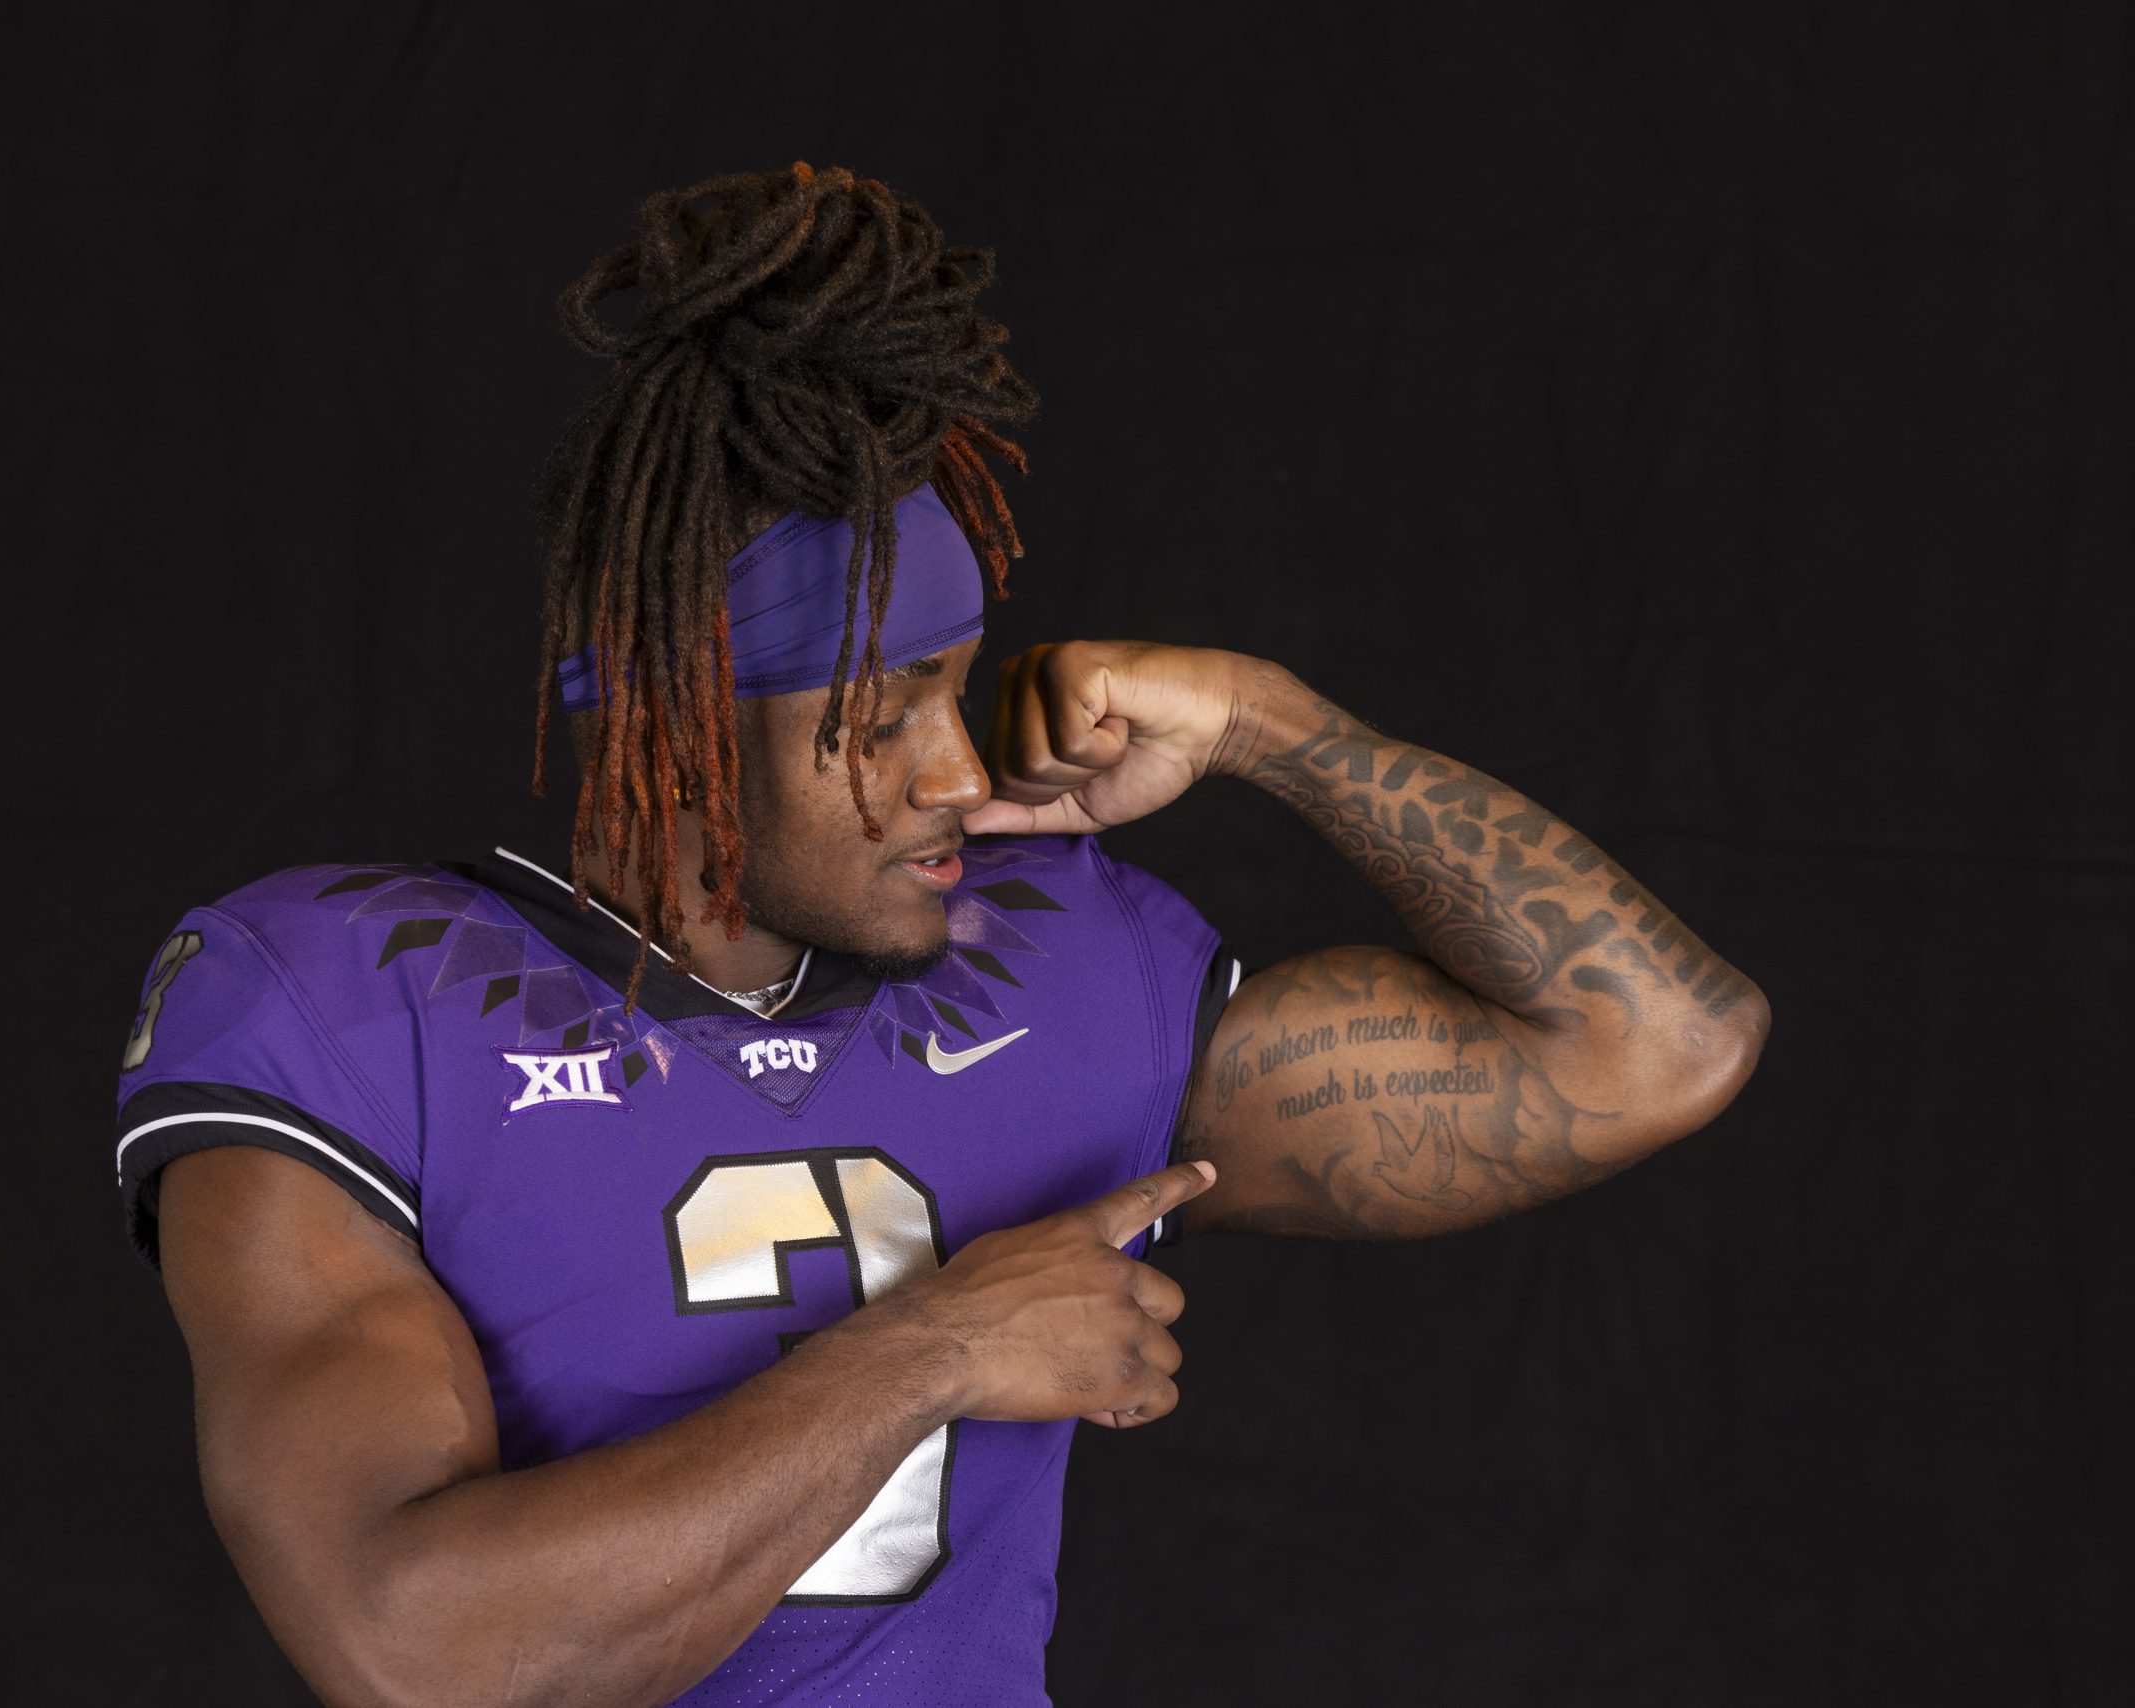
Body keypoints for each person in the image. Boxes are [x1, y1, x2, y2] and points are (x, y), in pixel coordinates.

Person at [111, 162, 1771, 1708]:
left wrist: (1278, 728)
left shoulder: (1055, 964)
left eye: (958, 689)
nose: (961, 772)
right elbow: (414, 1652)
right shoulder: (348, 1008)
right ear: (684, 717)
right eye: (882, 711)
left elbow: (1652, 1046)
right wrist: (940, 1347)